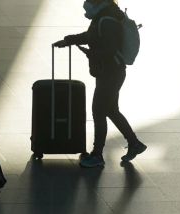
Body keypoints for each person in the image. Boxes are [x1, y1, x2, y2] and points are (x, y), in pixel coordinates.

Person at [54, 0, 146, 169]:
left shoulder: (107, 20)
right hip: (110, 71)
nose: (86, 4)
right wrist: (68, 40)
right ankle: (134, 143)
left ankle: (97, 155)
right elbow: (91, 36)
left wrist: (91, 53)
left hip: (111, 73)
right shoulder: (103, 16)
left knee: (98, 111)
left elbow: (109, 50)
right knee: (111, 110)